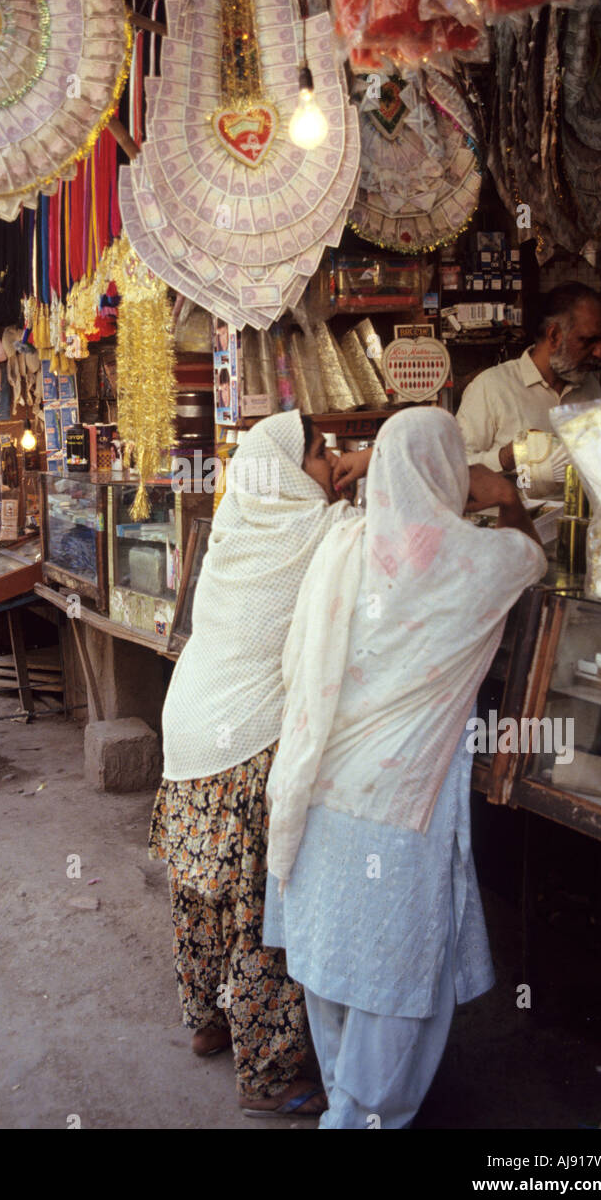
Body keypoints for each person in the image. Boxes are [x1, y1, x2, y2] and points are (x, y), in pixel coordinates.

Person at [263, 408, 547, 1129]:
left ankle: (349, 1107)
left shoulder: (342, 544)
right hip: (395, 811)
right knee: (392, 978)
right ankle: (363, 1118)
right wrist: (504, 494)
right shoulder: (477, 561)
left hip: (321, 789)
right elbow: (532, 558)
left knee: (331, 967)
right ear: (451, 470)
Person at [149, 410, 370, 1118]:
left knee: (197, 893)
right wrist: (370, 462)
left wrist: (339, 466)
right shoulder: (317, 531)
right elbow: (386, 523)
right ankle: (267, 1076)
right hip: (243, 740)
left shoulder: (241, 520)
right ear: (286, 467)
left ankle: (208, 1025)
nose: (330, 465)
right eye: (319, 453)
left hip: (188, 726)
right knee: (259, 911)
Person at [456, 283, 601, 472]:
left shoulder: (591, 387)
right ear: (554, 336)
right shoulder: (491, 387)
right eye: (588, 341)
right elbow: (456, 466)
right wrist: (502, 458)